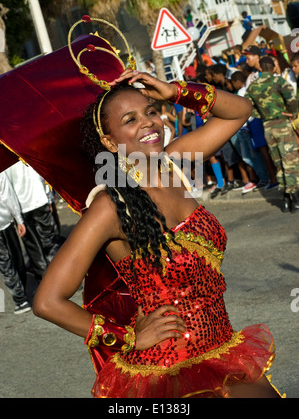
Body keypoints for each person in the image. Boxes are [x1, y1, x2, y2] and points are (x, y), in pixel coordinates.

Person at [33, 63, 282, 398]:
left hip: (224, 349)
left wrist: (174, 91)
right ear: (109, 141)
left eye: (150, 111)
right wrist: (127, 338)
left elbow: (239, 111)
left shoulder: (176, 163)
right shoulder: (109, 207)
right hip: (168, 371)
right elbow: (47, 301)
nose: (148, 122)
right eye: (129, 120)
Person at [245, 56, 299, 212]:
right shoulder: (279, 82)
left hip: (267, 126)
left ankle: (286, 199)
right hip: (282, 123)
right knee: (290, 160)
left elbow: (248, 106)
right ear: (273, 66)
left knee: (278, 163)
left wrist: (262, 114)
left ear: (261, 68)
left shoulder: (253, 86)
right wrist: (292, 113)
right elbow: (292, 100)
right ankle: (295, 198)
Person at [6, 161, 61, 283]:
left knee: (34, 250)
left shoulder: (5, 160)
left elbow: (7, 191)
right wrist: (48, 198)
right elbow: (42, 175)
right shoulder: (24, 149)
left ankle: (45, 283)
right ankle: (62, 277)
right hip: (39, 200)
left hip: (22, 208)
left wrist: (17, 217)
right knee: (50, 242)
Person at [243, 46, 279, 189]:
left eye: (249, 56)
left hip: (274, 116)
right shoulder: (251, 78)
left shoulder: (272, 72)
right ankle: (273, 178)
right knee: (263, 150)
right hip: (257, 118)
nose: (247, 60)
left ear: (258, 56)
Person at [0, 171, 31, 314]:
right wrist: (18, 219)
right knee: (16, 257)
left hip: (5, 221)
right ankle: (22, 296)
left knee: (5, 265)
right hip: (5, 221)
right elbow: (8, 195)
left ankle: (20, 299)